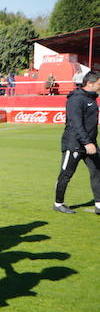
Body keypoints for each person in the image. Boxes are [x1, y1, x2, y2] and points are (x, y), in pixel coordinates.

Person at [53, 70, 100, 215]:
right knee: (66, 174)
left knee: (97, 171)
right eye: (99, 83)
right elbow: (76, 123)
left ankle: (99, 204)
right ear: (90, 84)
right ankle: (58, 203)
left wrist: (91, 142)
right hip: (74, 144)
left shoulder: (92, 99)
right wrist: (87, 143)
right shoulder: (76, 100)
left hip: (90, 144)